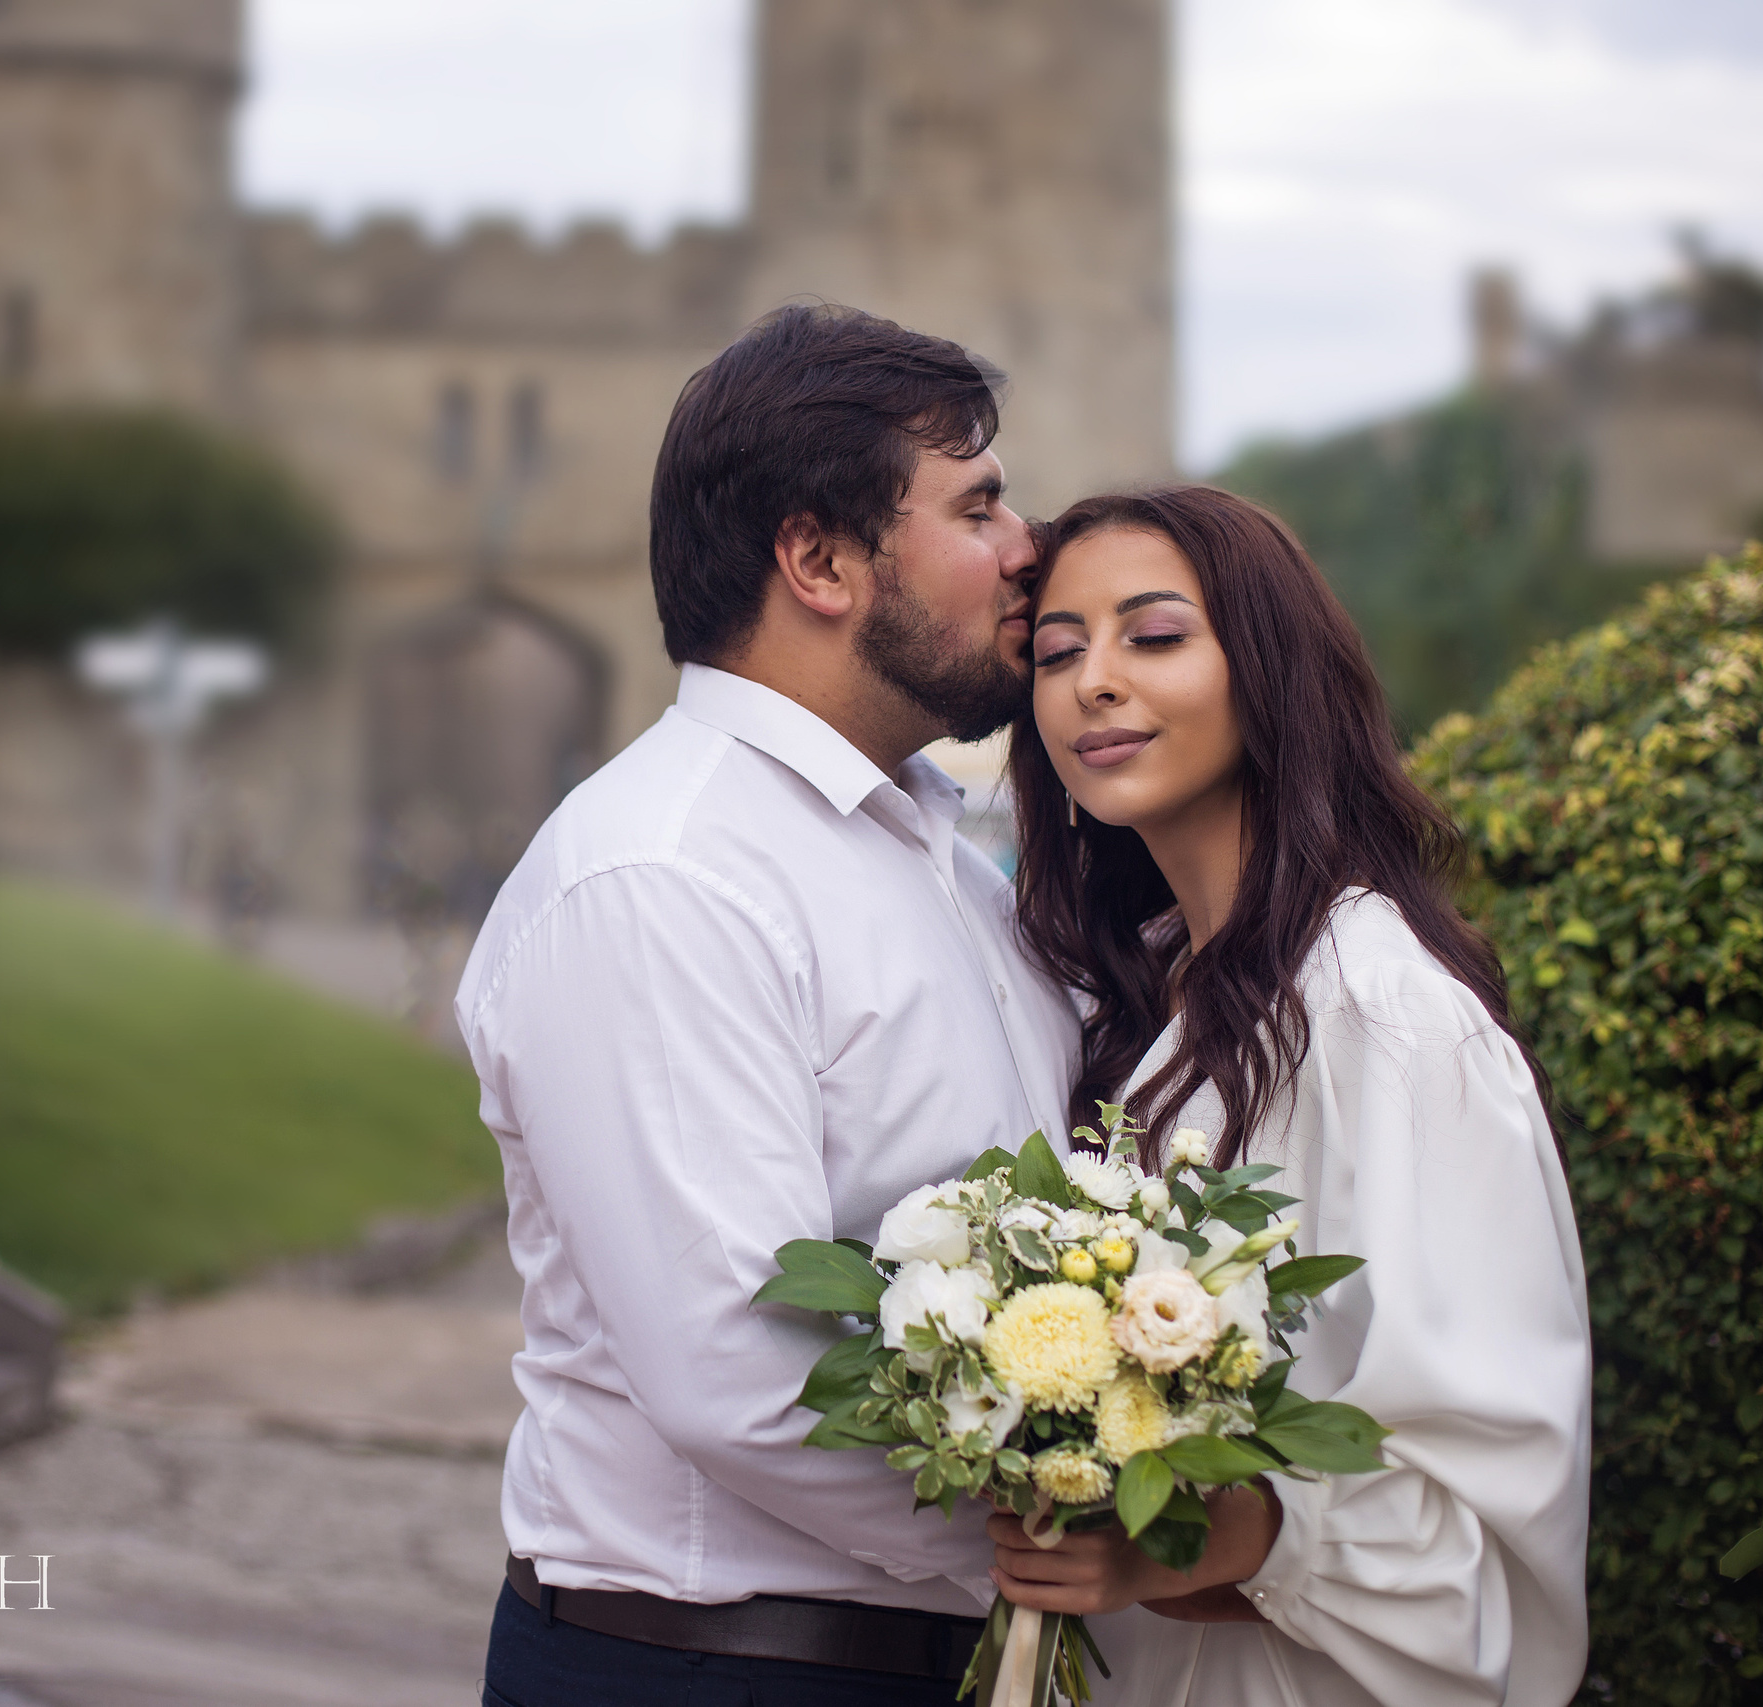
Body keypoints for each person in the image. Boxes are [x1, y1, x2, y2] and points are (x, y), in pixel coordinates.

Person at [456, 304, 1083, 1706]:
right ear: (819, 561)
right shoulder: (662, 874)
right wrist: (1083, 1528)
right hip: (707, 1666)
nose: (1026, 546)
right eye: (977, 505)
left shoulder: (939, 856)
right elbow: (741, 1369)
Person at [984, 487, 1591, 1706]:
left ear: (1269, 674)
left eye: (1154, 636)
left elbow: (1493, 1526)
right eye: (1055, 652)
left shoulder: (1386, 1014)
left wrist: (1221, 1537)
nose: (1093, 681)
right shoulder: (1131, 1005)